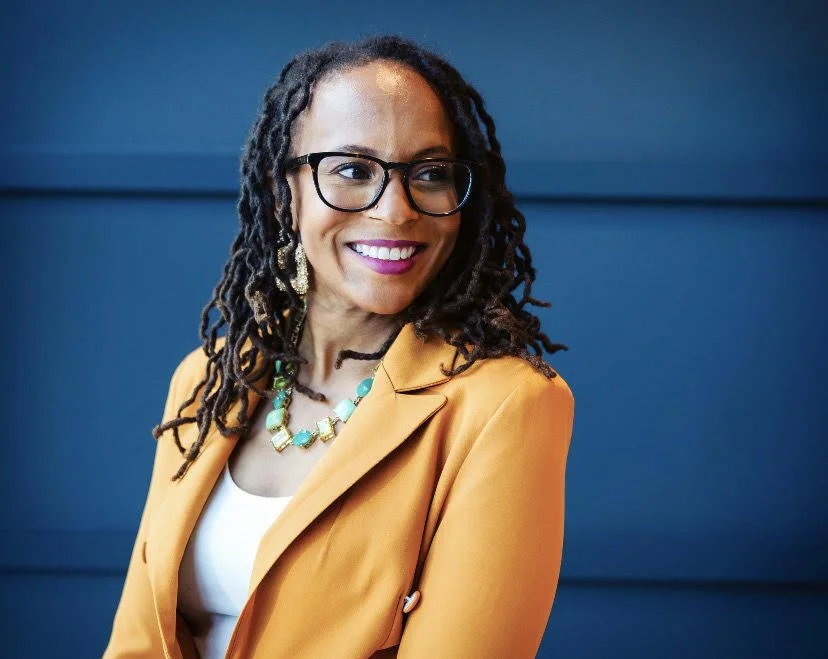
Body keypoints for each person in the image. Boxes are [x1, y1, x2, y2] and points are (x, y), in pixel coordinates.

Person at [103, 34, 574, 659]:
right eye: (353, 170)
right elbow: (139, 637)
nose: (395, 211)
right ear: (283, 193)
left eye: (430, 173)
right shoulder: (209, 380)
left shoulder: (505, 405)